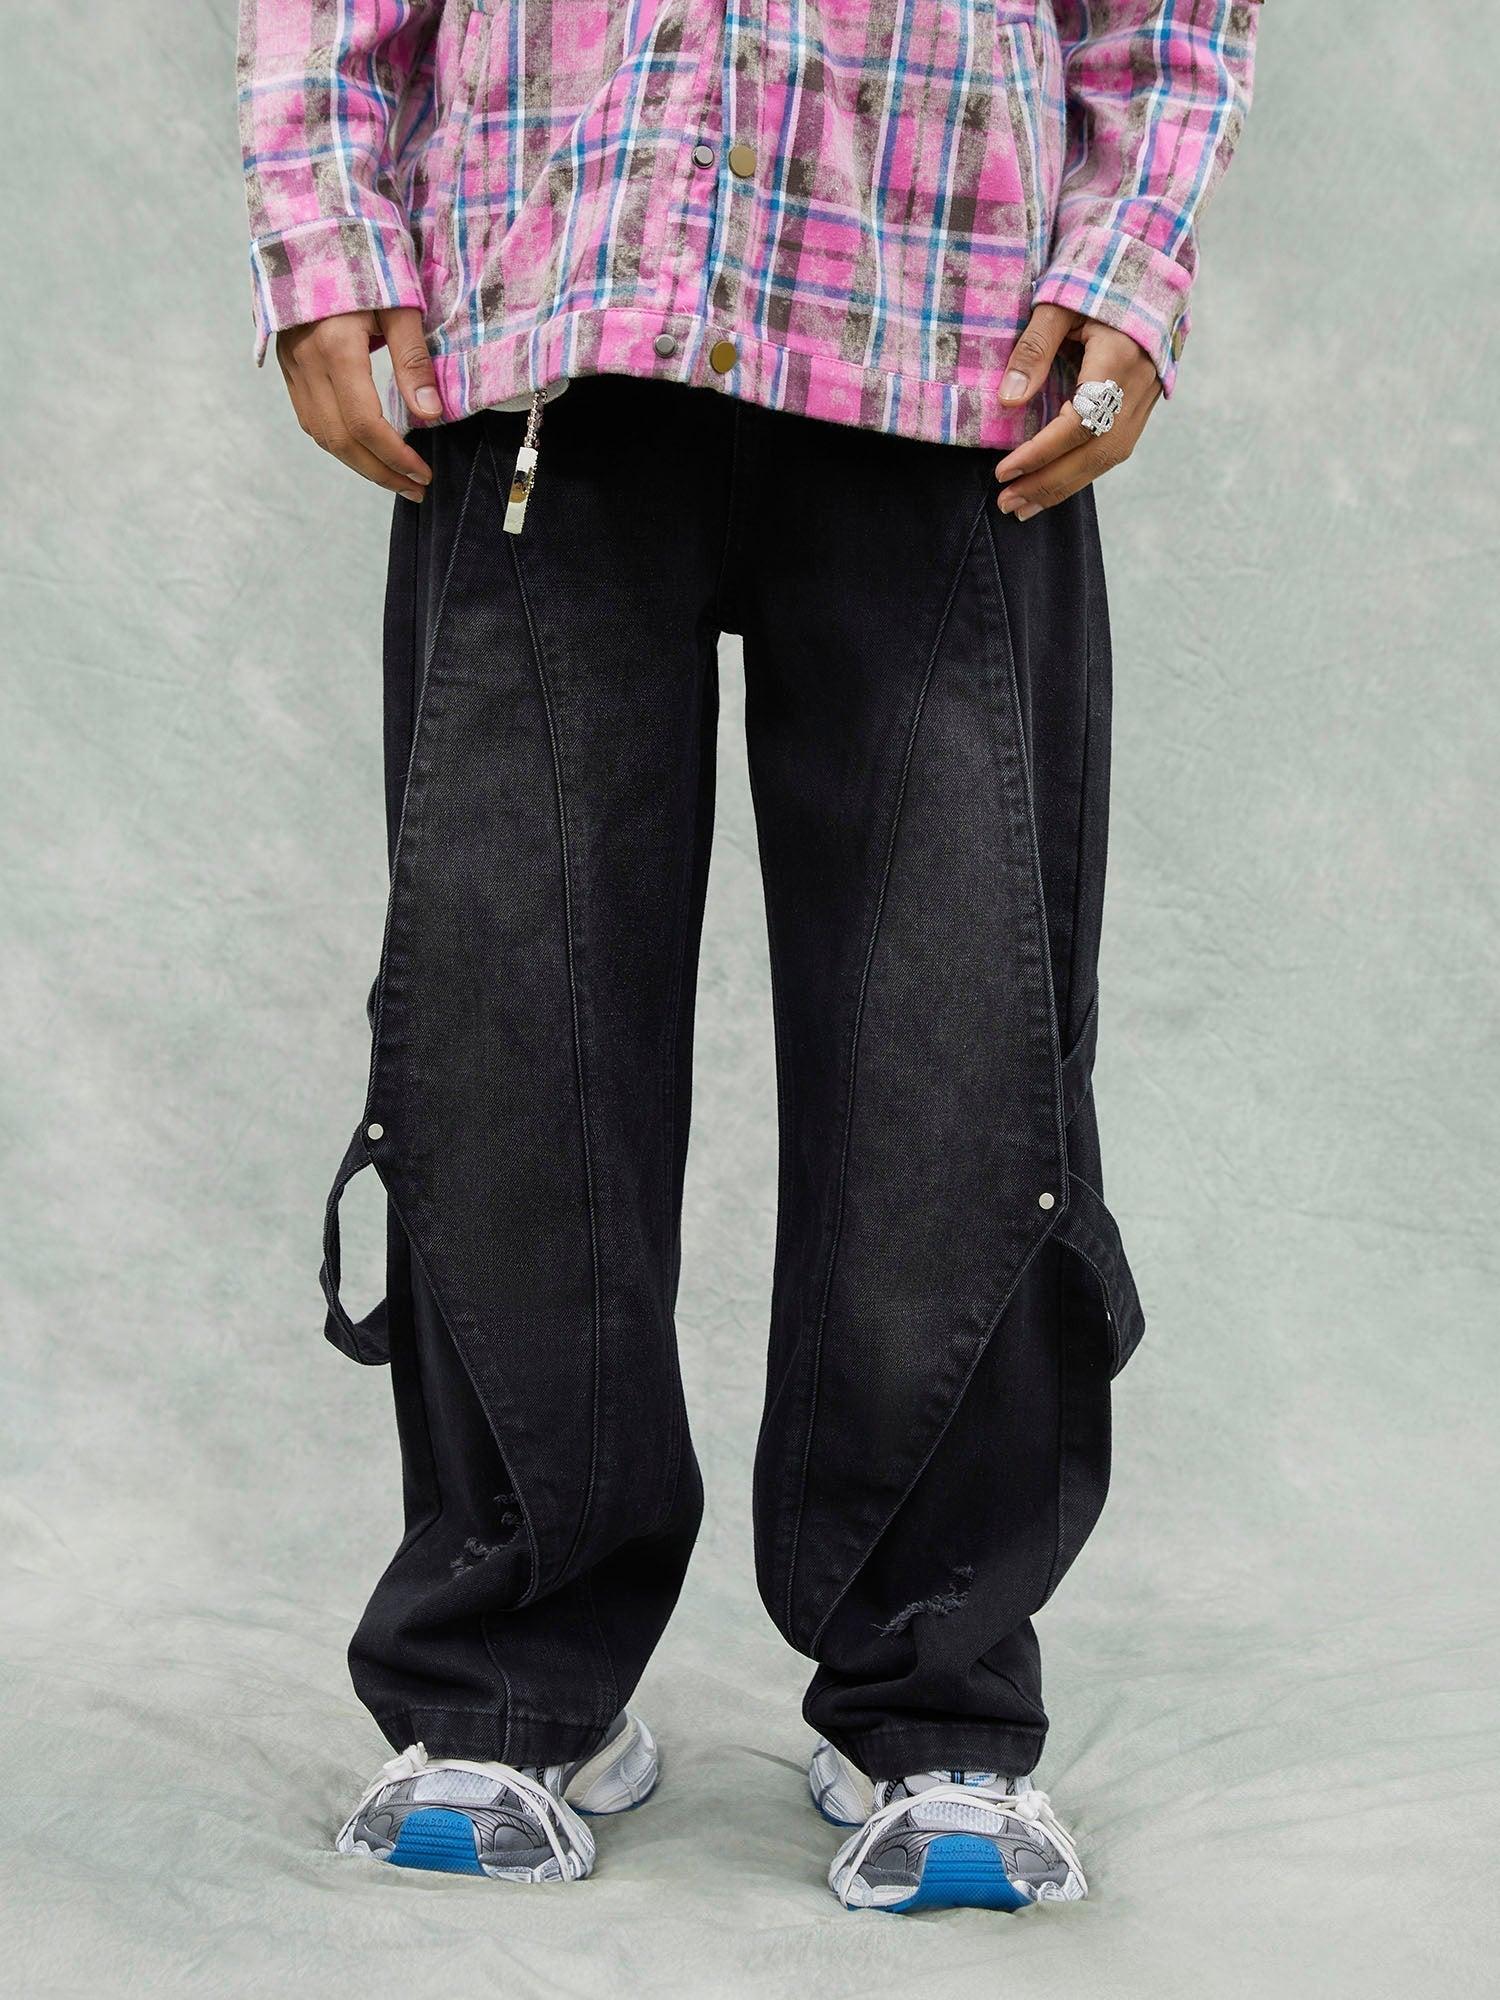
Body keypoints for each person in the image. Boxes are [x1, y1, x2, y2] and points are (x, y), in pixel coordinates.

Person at [238, 0, 1258, 1913]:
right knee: (509, 1033)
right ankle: (509, 1682)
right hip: (544, 329)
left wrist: (1133, 252)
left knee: (960, 1051)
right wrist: (323, 233)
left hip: (945, 337)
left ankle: (935, 1705)